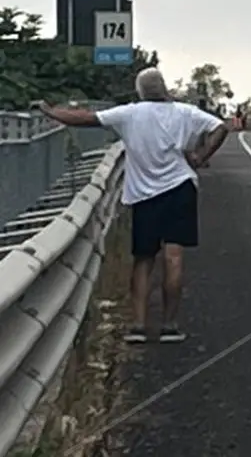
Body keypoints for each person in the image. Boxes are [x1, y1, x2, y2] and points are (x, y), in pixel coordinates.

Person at [38, 67, 229, 344]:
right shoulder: (185, 112)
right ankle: (170, 325)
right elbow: (220, 127)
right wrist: (200, 156)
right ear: (164, 88)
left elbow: (86, 118)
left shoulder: (129, 113)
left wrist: (52, 112)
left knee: (144, 259)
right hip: (180, 189)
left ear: (139, 90)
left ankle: (138, 325)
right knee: (173, 258)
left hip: (145, 196)